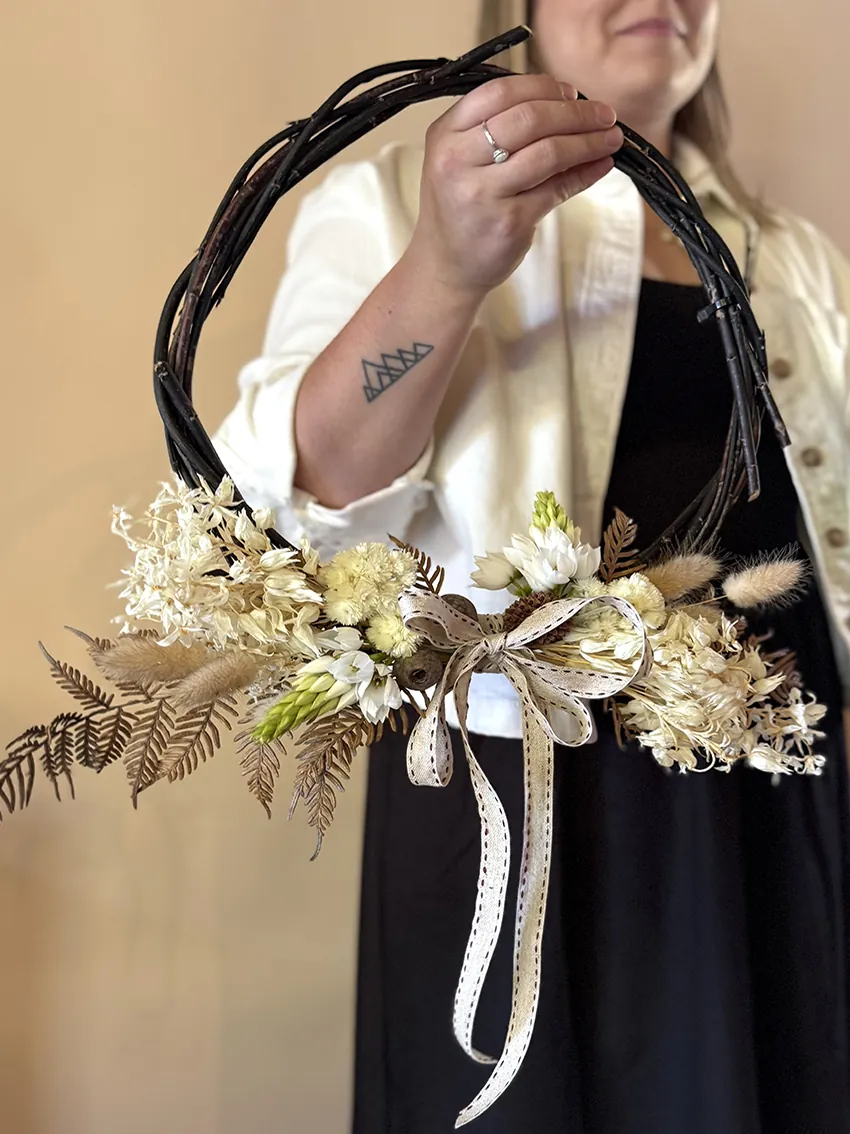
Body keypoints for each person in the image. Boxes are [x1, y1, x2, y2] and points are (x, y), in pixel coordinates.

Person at [213, 1, 850, 1130]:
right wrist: (445, 269)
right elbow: (299, 501)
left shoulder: (793, 257)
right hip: (521, 794)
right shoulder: (389, 204)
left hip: (771, 784)